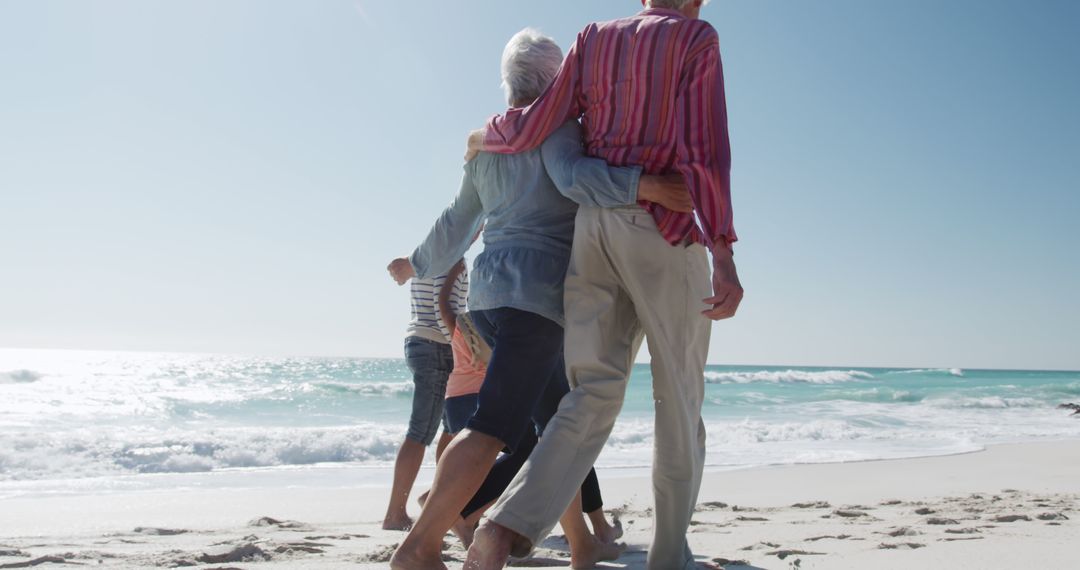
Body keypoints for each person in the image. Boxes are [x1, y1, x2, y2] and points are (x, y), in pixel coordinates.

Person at [386, 27, 693, 570]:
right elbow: (577, 181)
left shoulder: (489, 141)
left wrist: (416, 263)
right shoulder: (557, 130)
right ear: (558, 79)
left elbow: (457, 222)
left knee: (559, 431)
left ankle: (581, 547)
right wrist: (646, 186)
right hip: (538, 299)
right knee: (491, 426)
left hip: (489, 298)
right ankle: (419, 546)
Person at [464, 2, 743, 569]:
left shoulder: (592, 37)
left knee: (590, 394)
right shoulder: (695, 38)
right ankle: (669, 558)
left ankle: (502, 528)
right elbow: (705, 147)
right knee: (679, 398)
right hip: (662, 228)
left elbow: (539, 119)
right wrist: (722, 247)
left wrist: (485, 133)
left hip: (594, 230)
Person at [381, 261, 467, 531]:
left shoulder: (427, 254)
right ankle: (395, 514)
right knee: (423, 431)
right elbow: (443, 309)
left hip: (423, 341)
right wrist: (461, 347)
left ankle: (436, 502)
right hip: (436, 345)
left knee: (451, 428)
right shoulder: (451, 256)